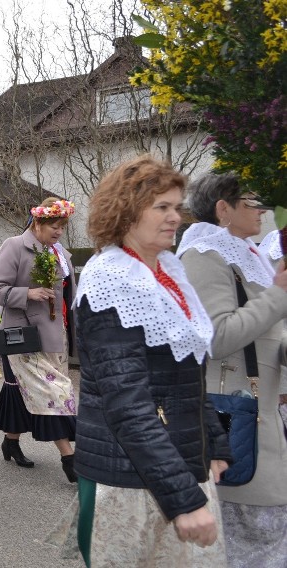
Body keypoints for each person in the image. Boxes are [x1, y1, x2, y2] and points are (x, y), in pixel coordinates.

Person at [71, 155, 231, 566]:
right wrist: (183, 499)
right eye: (161, 207)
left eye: (177, 207)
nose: (175, 217)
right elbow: (127, 404)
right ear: (125, 211)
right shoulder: (111, 280)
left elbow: (186, 370)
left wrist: (214, 442)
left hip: (176, 462)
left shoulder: (167, 271)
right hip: (127, 475)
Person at [178, 172, 287, 567]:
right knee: (253, 545)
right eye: (250, 202)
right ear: (223, 209)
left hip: (266, 412)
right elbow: (218, 336)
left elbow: (268, 335)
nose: (261, 210)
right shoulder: (205, 255)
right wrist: (278, 295)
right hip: (238, 416)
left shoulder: (249, 253)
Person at [0, 197, 78, 482]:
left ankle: (10, 442)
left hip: (56, 336)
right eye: (53, 224)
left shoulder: (61, 253)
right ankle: (70, 459)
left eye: (62, 226)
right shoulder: (14, 246)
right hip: (25, 337)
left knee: (28, 391)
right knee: (54, 394)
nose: (59, 231)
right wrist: (27, 293)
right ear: (37, 221)